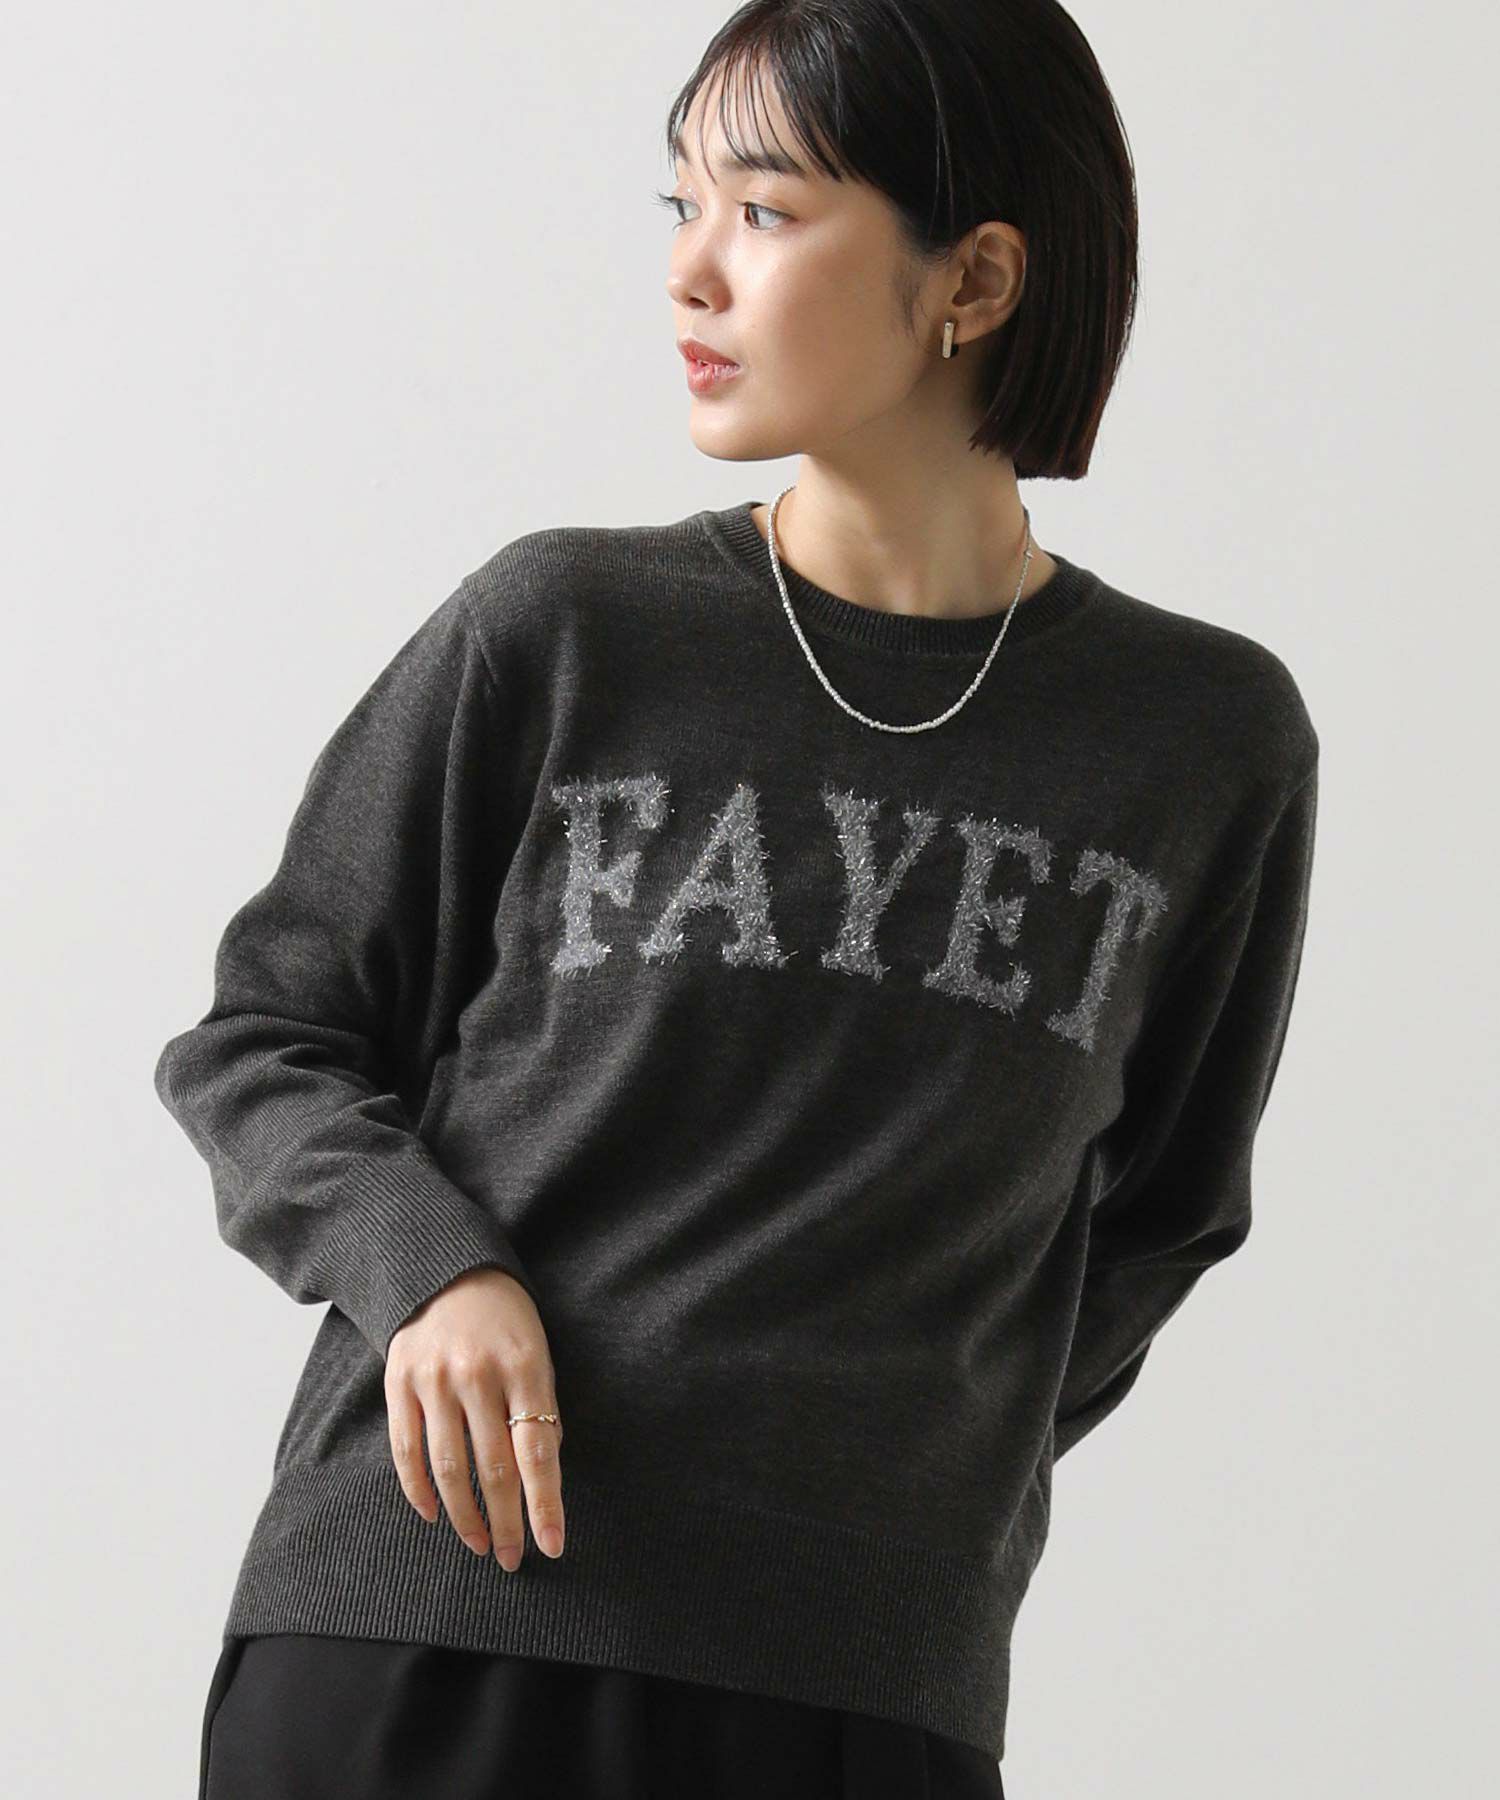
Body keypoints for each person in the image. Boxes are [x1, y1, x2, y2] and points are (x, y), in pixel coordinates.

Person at [158, 3, 1320, 1796]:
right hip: (427, 1623)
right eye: (682, 205)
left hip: (861, 1685)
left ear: (976, 279)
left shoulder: (1202, 741)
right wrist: (430, 1271)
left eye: (766, 212)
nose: (691, 273)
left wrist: (907, 1476)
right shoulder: (563, 629)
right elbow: (268, 1034)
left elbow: (1163, 1213)